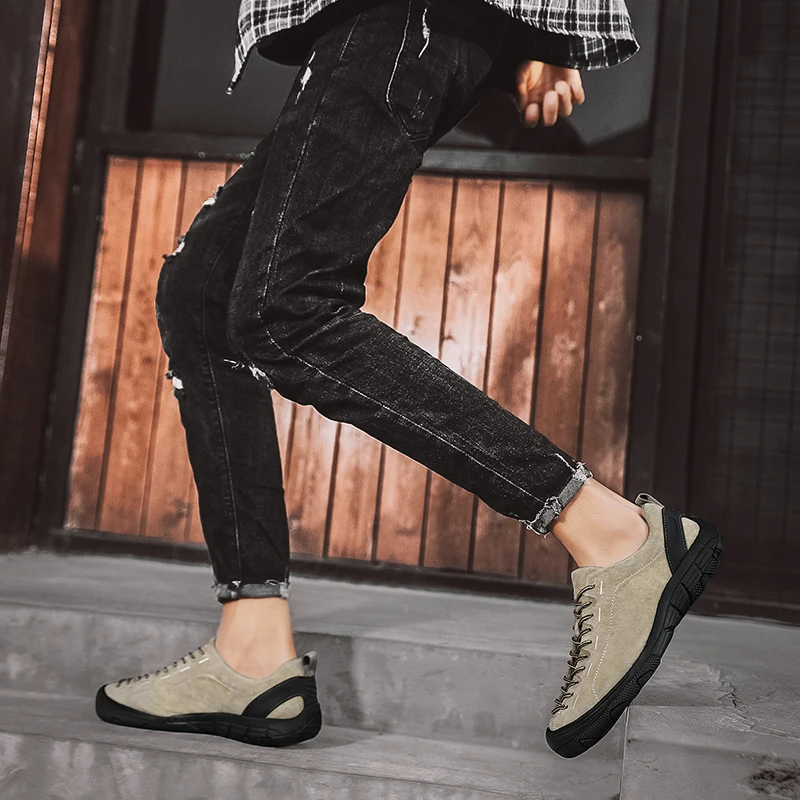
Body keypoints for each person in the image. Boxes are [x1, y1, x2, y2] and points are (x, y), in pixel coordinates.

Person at [94, 0, 723, 759]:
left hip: (397, 14)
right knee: (200, 295)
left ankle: (612, 535)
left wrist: (545, 32)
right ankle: (251, 649)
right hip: (374, 23)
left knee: (287, 310)